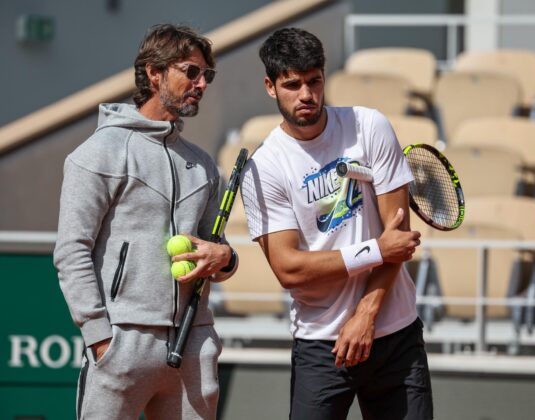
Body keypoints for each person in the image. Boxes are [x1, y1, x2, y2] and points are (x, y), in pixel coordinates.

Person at [240, 28, 433, 420]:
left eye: (314, 81)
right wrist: (375, 250)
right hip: (321, 345)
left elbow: (397, 236)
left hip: (394, 333)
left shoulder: (369, 127)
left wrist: (366, 315)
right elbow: (289, 268)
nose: (306, 94)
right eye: (292, 84)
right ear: (270, 86)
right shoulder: (265, 167)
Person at [53, 24, 238, 420]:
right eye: (191, 71)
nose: (201, 83)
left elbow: (213, 251)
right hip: (122, 343)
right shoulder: (98, 153)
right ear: (154, 73)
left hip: (193, 343)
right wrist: (100, 339)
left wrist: (225, 257)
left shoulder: (203, 165)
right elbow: (72, 252)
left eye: (207, 75)